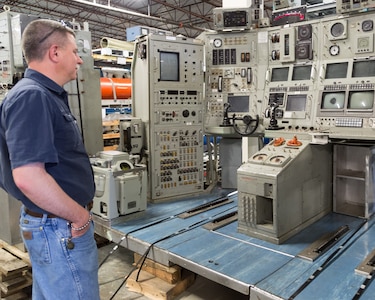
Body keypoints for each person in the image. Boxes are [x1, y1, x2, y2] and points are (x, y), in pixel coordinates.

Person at [0, 19, 100, 300]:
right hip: (60, 228)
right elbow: (29, 177)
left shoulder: (44, 95)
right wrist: (79, 218)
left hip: (53, 226)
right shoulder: (33, 97)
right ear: (55, 53)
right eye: (74, 52)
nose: (79, 60)